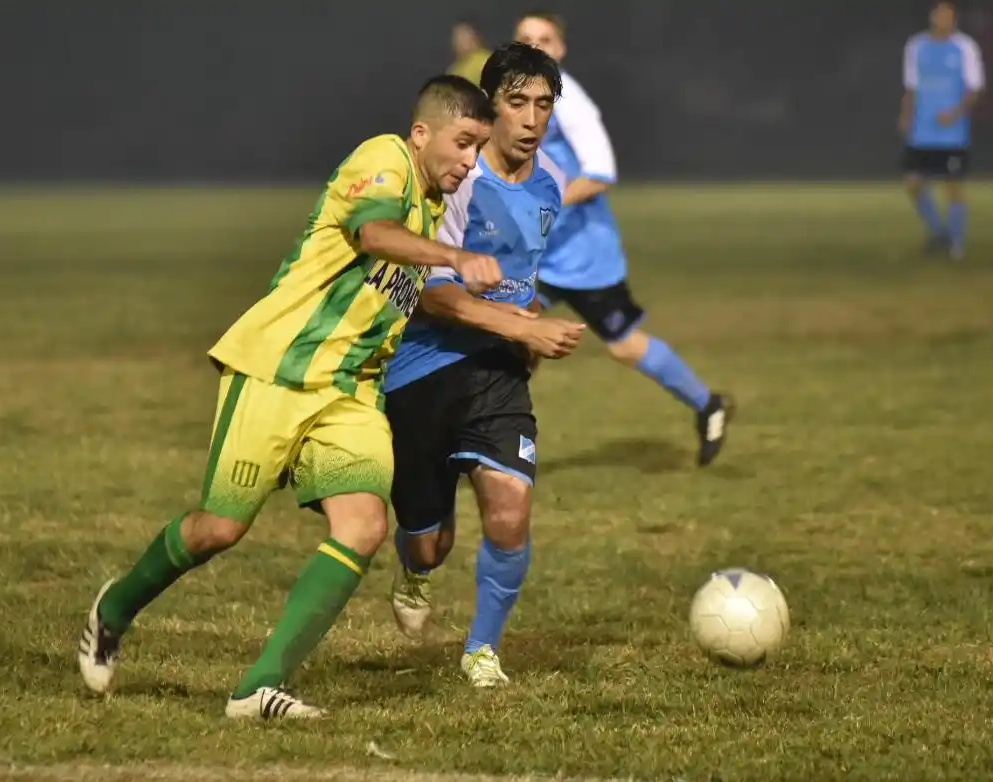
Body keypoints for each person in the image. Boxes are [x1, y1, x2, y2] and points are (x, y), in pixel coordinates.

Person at [76, 75, 504, 720]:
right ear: (423, 133)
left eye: (479, 148)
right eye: (464, 143)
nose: (470, 161)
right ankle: (113, 609)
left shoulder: (434, 205)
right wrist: (457, 257)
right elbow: (372, 235)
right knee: (217, 530)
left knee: (363, 528)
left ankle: (258, 688)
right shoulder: (384, 159)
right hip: (275, 372)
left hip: (349, 394)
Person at [384, 43, 583, 687]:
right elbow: (433, 292)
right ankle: (413, 571)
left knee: (511, 506)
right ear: (490, 106)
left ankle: (481, 650)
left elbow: (521, 275)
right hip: (422, 371)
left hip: (497, 375)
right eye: (517, 103)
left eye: (543, 106)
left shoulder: (551, 182)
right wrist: (519, 326)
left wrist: (526, 324)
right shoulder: (459, 180)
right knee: (429, 543)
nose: (531, 119)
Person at [514, 11, 734, 468]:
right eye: (525, 39)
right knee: (514, 335)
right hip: (535, 251)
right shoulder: (508, 93)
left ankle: (707, 404)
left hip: (581, 254)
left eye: (545, 40)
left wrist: (541, 208)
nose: (535, 48)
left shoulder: (569, 100)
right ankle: (501, 439)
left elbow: (600, 174)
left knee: (624, 345)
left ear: (560, 50)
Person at [900, 0, 985, 260]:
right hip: (922, 130)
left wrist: (955, 113)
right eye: (939, 14)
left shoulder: (965, 47)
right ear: (932, 17)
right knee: (913, 183)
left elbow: (975, 89)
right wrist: (905, 115)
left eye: (948, 14)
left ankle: (956, 246)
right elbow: (911, 87)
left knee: (953, 186)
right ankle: (939, 232)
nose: (942, 19)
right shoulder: (916, 46)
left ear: (954, 18)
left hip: (952, 132)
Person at [448, 18, 492, 86]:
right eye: (456, 36)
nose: (457, 41)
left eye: (462, 35)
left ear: (474, 37)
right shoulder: (454, 69)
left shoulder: (485, 61)